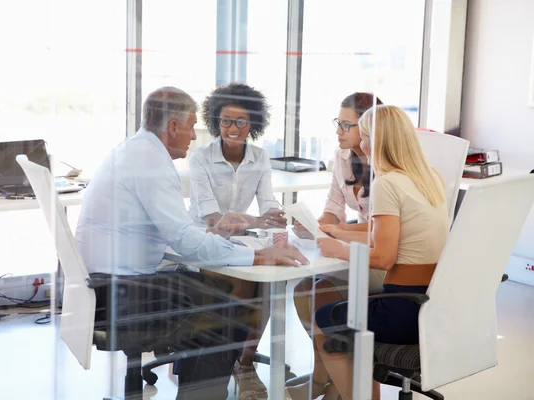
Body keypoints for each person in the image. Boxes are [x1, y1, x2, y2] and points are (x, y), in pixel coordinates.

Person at [74, 86, 308, 400]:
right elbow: (188, 242)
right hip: (122, 293)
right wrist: (260, 256)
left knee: (213, 293)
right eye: (190, 127)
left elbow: (179, 235)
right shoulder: (152, 164)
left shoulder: (134, 150)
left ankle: (202, 383)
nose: (194, 136)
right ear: (173, 127)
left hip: (105, 287)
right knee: (225, 310)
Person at [286, 105, 449, 400]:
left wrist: (340, 248)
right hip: (432, 305)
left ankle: (342, 391)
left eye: (364, 137)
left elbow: (384, 258)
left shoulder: (388, 183)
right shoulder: (429, 177)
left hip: (401, 309)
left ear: (376, 140)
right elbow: (394, 237)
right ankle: (329, 387)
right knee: (324, 298)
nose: (361, 144)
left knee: (326, 317)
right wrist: (340, 232)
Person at [188, 82, 286, 400]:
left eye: (241, 122)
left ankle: (243, 363)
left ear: (252, 124)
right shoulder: (201, 158)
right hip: (202, 243)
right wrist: (257, 221)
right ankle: (235, 365)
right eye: (226, 121)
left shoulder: (260, 158)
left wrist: (275, 214)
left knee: (268, 286)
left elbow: (268, 201)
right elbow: (211, 219)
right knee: (248, 285)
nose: (233, 128)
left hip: (238, 242)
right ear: (216, 120)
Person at [292, 93, 384, 335]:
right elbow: (333, 208)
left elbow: (381, 233)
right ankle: (323, 365)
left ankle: (334, 363)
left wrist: (336, 231)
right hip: (359, 242)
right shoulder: (341, 157)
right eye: (338, 123)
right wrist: (314, 225)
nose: (338, 132)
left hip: (380, 252)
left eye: (346, 125)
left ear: (368, 127)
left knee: (319, 291)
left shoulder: (387, 169)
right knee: (302, 289)